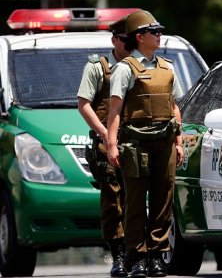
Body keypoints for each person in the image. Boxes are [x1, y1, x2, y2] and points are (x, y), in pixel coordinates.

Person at [107, 10, 184, 278]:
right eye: (155, 32)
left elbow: (174, 106)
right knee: (136, 201)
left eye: (160, 31)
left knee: (163, 200)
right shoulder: (124, 69)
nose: (160, 36)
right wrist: (113, 145)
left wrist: (179, 141)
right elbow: (114, 111)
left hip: (164, 143)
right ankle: (137, 255)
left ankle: (155, 255)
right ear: (140, 38)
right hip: (136, 144)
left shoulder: (168, 67)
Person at [77, 15, 131, 278]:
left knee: (139, 199)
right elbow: (84, 104)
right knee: (113, 200)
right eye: (125, 39)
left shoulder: (144, 66)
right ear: (114, 40)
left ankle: (141, 252)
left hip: (139, 142)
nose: (130, 44)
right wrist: (104, 134)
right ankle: (119, 253)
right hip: (106, 143)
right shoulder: (99, 67)